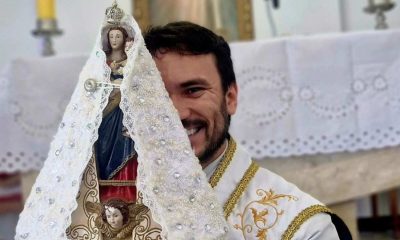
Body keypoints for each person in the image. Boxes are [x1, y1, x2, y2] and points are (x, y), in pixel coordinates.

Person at [143, 21, 353, 239]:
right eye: (158, 95)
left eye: (194, 90)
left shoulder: (304, 228)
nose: (176, 113)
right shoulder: (114, 202)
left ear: (230, 98)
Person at [96, 25, 138, 203]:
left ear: (125, 39)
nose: (114, 40)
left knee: (126, 143)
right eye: (111, 37)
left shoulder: (131, 60)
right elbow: (96, 83)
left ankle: (127, 191)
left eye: (118, 37)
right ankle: (106, 189)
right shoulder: (102, 60)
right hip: (108, 108)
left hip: (124, 108)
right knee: (103, 144)